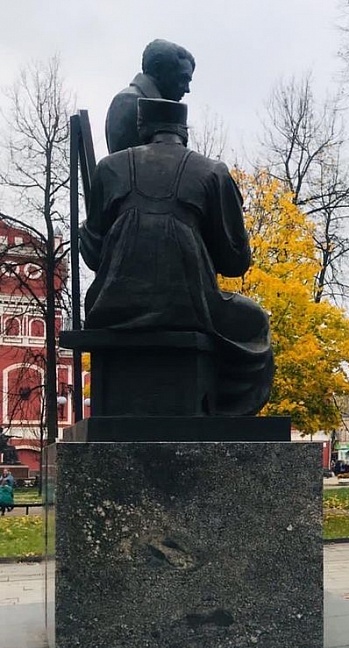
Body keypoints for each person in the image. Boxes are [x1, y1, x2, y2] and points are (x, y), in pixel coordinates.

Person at [81, 98, 274, 416]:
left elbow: (93, 255)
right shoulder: (212, 171)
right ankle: (222, 411)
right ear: (184, 131)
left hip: (113, 310)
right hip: (190, 309)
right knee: (254, 323)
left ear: (142, 128)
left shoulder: (108, 168)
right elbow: (235, 261)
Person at [106, 39, 195, 153]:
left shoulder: (155, 108)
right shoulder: (129, 102)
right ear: (158, 70)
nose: (187, 89)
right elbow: (125, 166)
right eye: (182, 79)